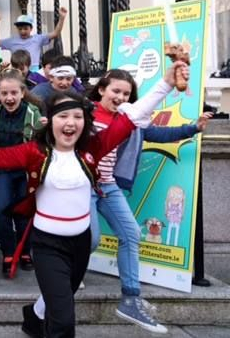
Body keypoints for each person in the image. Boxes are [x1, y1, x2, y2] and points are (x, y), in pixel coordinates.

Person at [0, 60, 187, 338]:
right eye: (63, 117)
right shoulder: (35, 152)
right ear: (51, 122)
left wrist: (166, 82)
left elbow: (134, 117)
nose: (70, 123)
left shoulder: (94, 146)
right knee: (63, 317)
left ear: (85, 122)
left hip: (80, 243)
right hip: (47, 244)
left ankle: (32, 319)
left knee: (61, 295)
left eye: (77, 117)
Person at [84, 69, 212, 334]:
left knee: (131, 234)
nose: (120, 96)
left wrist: (193, 128)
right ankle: (66, 277)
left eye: (126, 93)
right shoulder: (84, 112)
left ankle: (130, 299)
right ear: (101, 90)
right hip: (83, 186)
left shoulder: (132, 120)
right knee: (91, 239)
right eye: (115, 91)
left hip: (109, 186)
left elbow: (157, 133)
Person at [0, 69, 44, 275]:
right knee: (1, 209)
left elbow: (42, 144)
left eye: (13, 93)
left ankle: (25, 252)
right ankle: (8, 252)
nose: (9, 98)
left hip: (26, 171)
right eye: (5, 93)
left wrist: (46, 130)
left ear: (22, 93)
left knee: (24, 211)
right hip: (3, 170)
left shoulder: (34, 112)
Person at [0, 8, 68, 69]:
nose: (22, 31)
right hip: (17, 71)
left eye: (25, 28)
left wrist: (62, 18)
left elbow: (55, 33)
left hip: (33, 71)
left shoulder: (38, 39)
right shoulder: (12, 41)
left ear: (31, 29)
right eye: (20, 29)